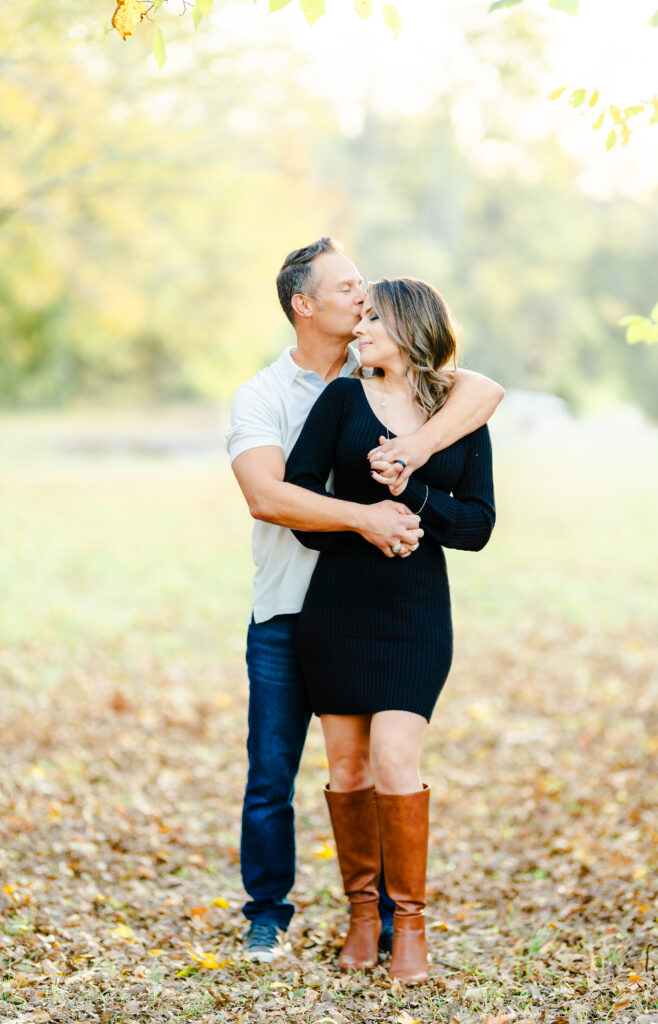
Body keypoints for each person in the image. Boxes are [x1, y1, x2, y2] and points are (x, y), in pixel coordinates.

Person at [226, 238, 503, 964]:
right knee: (278, 772)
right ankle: (270, 914)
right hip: (299, 604)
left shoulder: (413, 387)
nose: (359, 300)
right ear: (303, 304)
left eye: (368, 295)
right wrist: (369, 516)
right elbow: (270, 494)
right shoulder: (272, 395)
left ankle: (397, 924)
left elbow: (477, 395)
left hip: (407, 612)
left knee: (392, 761)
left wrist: (409, 473)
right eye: (347, 289)